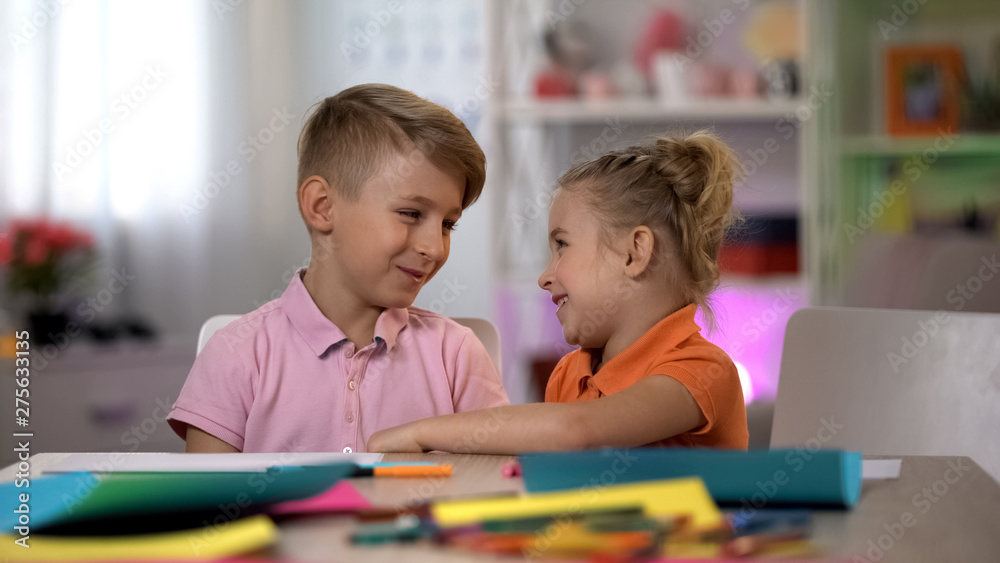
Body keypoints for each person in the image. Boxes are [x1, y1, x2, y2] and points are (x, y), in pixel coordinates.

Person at [167, 84, 509, 453]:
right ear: (322, 207)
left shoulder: (455, 354)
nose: (434, 247)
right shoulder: (235, 353)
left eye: (447, 224)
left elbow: (496, 489)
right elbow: (212, 508)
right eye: (411, 213)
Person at [368, 130, 748, 453]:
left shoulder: (704, 371)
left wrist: (420, 432)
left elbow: (578, 430)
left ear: (635, 252)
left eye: (561, 245)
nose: (544, 277)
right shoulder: (568, 375)